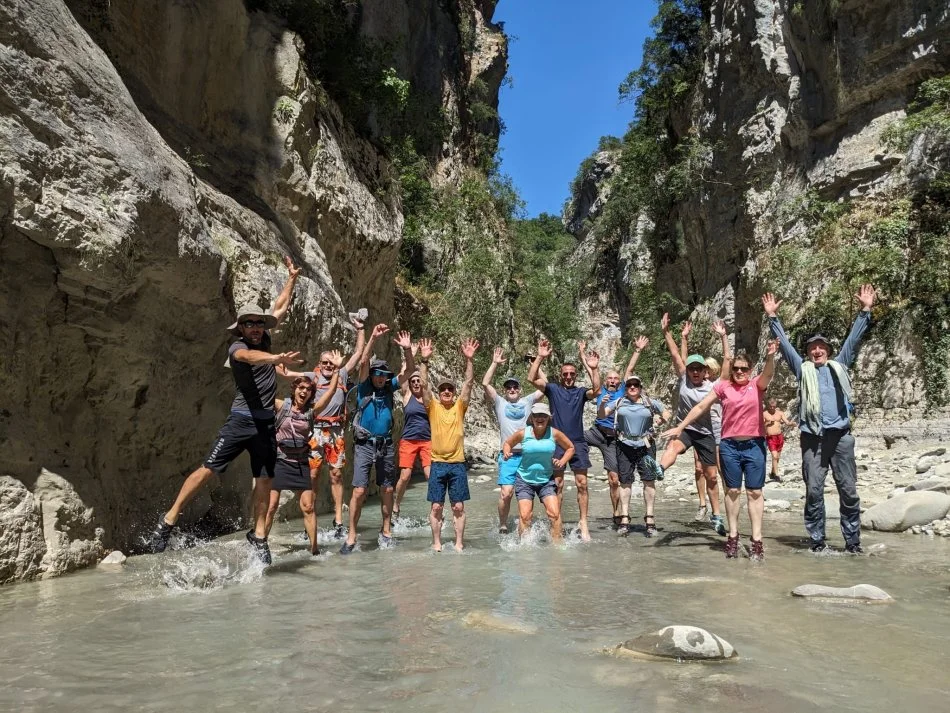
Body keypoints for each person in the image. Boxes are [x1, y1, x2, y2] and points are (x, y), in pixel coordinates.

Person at [147, 257, 303, 564]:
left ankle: (258, 536)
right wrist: (275, 360)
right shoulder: (237, 348)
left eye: (259, 324)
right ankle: (168, 520)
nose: (256, 328)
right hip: (240, 422)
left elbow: (280, 307)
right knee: (209, 470)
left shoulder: (267, 337)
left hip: (265, 425)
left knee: (265, 480)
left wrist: (292, 278)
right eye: (250, 324)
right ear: (241, 328)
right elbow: (248, 357)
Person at [762, 284, 875, 554]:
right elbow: (786, 347)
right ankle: (817, 542)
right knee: (814, 490)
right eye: (812, 348)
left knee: (848, 491)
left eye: (821, 347)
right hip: (812, 439)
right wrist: (772, 318)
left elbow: (853, 339)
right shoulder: (803, 371)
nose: (817, 351)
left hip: (840, 438)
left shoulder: (840, 365)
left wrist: (866, 310)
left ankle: (853, 543)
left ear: (828, 350)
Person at [664, 343, 777, 560]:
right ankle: (733, 537)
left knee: (754, 492)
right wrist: (680, 426)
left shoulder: (756, 385)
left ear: (750, 370)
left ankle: (756, 541)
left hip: (754, 445)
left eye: (744, 369)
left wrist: (771, 356)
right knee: (732, 491)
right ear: (732, 370)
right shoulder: (723, 387)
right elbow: (700, 407)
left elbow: (768, 373)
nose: (740, 372)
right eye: (736, 369)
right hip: (729, 446)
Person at [279, 314, 366, 539]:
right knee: (314, 474)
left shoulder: (342, 374)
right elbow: (288, 374)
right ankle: (312, 519)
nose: (328, 366)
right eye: (325, 362)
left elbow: (357, 354)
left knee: (336, 474)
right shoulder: (311, 377)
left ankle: (338, 520)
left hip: (336, 431)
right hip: (314, 430)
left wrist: (360, 329)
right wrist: (279, 363)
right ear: (319, 364)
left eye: (331, 363)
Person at [339, 325, 415, 554]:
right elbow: (363, 361)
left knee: (388, 489)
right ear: (372, 375)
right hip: (364, 445)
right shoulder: (363, 387)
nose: (381, 378)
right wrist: (372, 336)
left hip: (386, 444)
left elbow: (409, 370)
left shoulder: (389, 389)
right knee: (359, 491)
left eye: (384, 375)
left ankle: (386, 530)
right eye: (378, 374)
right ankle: (351, 535)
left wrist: (408, 349)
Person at [655, 314, 730, 536]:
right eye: (691, 368)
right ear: (687, 371)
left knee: (712, 477)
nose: (695, 371)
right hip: (686, 428)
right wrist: (667, 332)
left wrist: (724, 336)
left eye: (699, 368)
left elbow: (727, 361)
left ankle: (716, 515)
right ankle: (659, 469)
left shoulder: (714, 386)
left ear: (705, 370)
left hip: (706, 433)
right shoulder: (684, 380)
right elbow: (677, 355)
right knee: (673, 447)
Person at [263, 351, 343, 555]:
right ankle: (261, 544)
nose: (304, 392)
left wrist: (336, 369)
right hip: (280, 460)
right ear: (294, 389)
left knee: (308, 506)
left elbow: (332, 392)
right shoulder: (281, 406)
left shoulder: (312, 411)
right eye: (301, 388)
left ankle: (314, 551)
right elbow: (264, 393)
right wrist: (271, 363)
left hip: (300, 462)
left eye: (308, 389)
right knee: (271, 506)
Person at [528, 340, 601, 541]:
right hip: (557, 443)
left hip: (577, 442)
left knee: (582, 483)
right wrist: (540, 356)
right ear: (561, 376)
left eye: (572, 374)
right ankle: (556, 522)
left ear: (575, 376)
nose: (568, 377)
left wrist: (594, 369)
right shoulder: (552, 389)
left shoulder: (580, 393)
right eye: (565, 374)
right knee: (558, 484)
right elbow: (531, 377)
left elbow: (596, 390)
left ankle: (583, 522)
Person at [585, 335, 649, 529]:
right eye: (610, 379)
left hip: (613, 439)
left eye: (615, 379)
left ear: (619, 381)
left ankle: (616, 512)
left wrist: (637, 350)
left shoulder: (623, 391)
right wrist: (586, 359)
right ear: (605, 381)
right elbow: (591, 373)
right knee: (570, 437)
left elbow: (629, 370)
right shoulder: (599, 391)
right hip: (596, 432)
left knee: (614, 479)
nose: (613, 381)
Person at [482, 347, 545, 534]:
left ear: (520, 389)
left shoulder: (527, 401)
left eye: (515, 387)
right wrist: (494, 362)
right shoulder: (500, 402)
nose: (512, 389)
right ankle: (502, 524)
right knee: (506, 492)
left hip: (528, 455)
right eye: (508, 387)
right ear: (505, 390)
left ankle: (525, 524)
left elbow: (544, 385)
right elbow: (485, 383)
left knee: (525, 494)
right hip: (508, 456)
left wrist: (536, 363)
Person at [599, 376, 671, 536]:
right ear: (625, 388)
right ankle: (625, 518)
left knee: (649, 480)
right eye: (629, 385)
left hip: (645, 445)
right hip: (624, 445)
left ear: (640, 386)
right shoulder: (618, 402)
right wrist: (603, 403)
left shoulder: (649, 402)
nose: (632, 387)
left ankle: (650, 518)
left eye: (635, 385)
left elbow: (666, 412)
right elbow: (602, 415)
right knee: (625, 482)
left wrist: (661, 420)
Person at [425, 338, 479, 552]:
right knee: (436, 506)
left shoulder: (459, 407)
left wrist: (469, 360)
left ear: (453, 393)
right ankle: (437, 542)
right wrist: (425, 361)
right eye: (443, 389)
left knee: (458, 506)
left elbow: (469, 384)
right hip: (437, 463)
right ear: (439, 393)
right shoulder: (433, 407)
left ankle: (458, 543)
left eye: (450, 389)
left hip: (457, 463)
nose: (446, 391)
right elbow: (424, 385)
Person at [502, 403, 574, 542]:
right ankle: (525, 548)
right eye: (536, 415)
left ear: (548, 418)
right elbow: (507, 443)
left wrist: (562, 461)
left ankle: (558, 547)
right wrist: (506, 452)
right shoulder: (523, 433)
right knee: (525, 516)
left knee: (554, 514)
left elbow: (570, 447)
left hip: (546, 480)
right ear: (532, 418)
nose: (540, 418)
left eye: (543, 416)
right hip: (524, 480)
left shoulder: (554, 433)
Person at [393, 339, 434, 521]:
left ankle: (435, 508)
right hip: (408, 440)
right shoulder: (407, 394)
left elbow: (424, 380)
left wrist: (423, 360)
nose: (416, 383)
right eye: (413, 381)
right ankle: (396, 503)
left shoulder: (427, 396)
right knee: (405, 475)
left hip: (426, 440)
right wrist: (410, 352)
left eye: (418, 381)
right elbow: (404, 372)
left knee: (429, 475)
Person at [763, 398, 796, 481]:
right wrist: (767, 423)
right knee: (774, 455)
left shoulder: (780, 413)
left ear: (775, 405)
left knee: (777, 457)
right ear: (768, 406)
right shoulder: (764, 414)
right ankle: (777, 475)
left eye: (773, 406)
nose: (772, 408)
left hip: (779, 437)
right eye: (770, 407)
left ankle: (772, 473)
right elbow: (761, 426)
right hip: (770, 437)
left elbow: (787, 422)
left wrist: (791, 424)